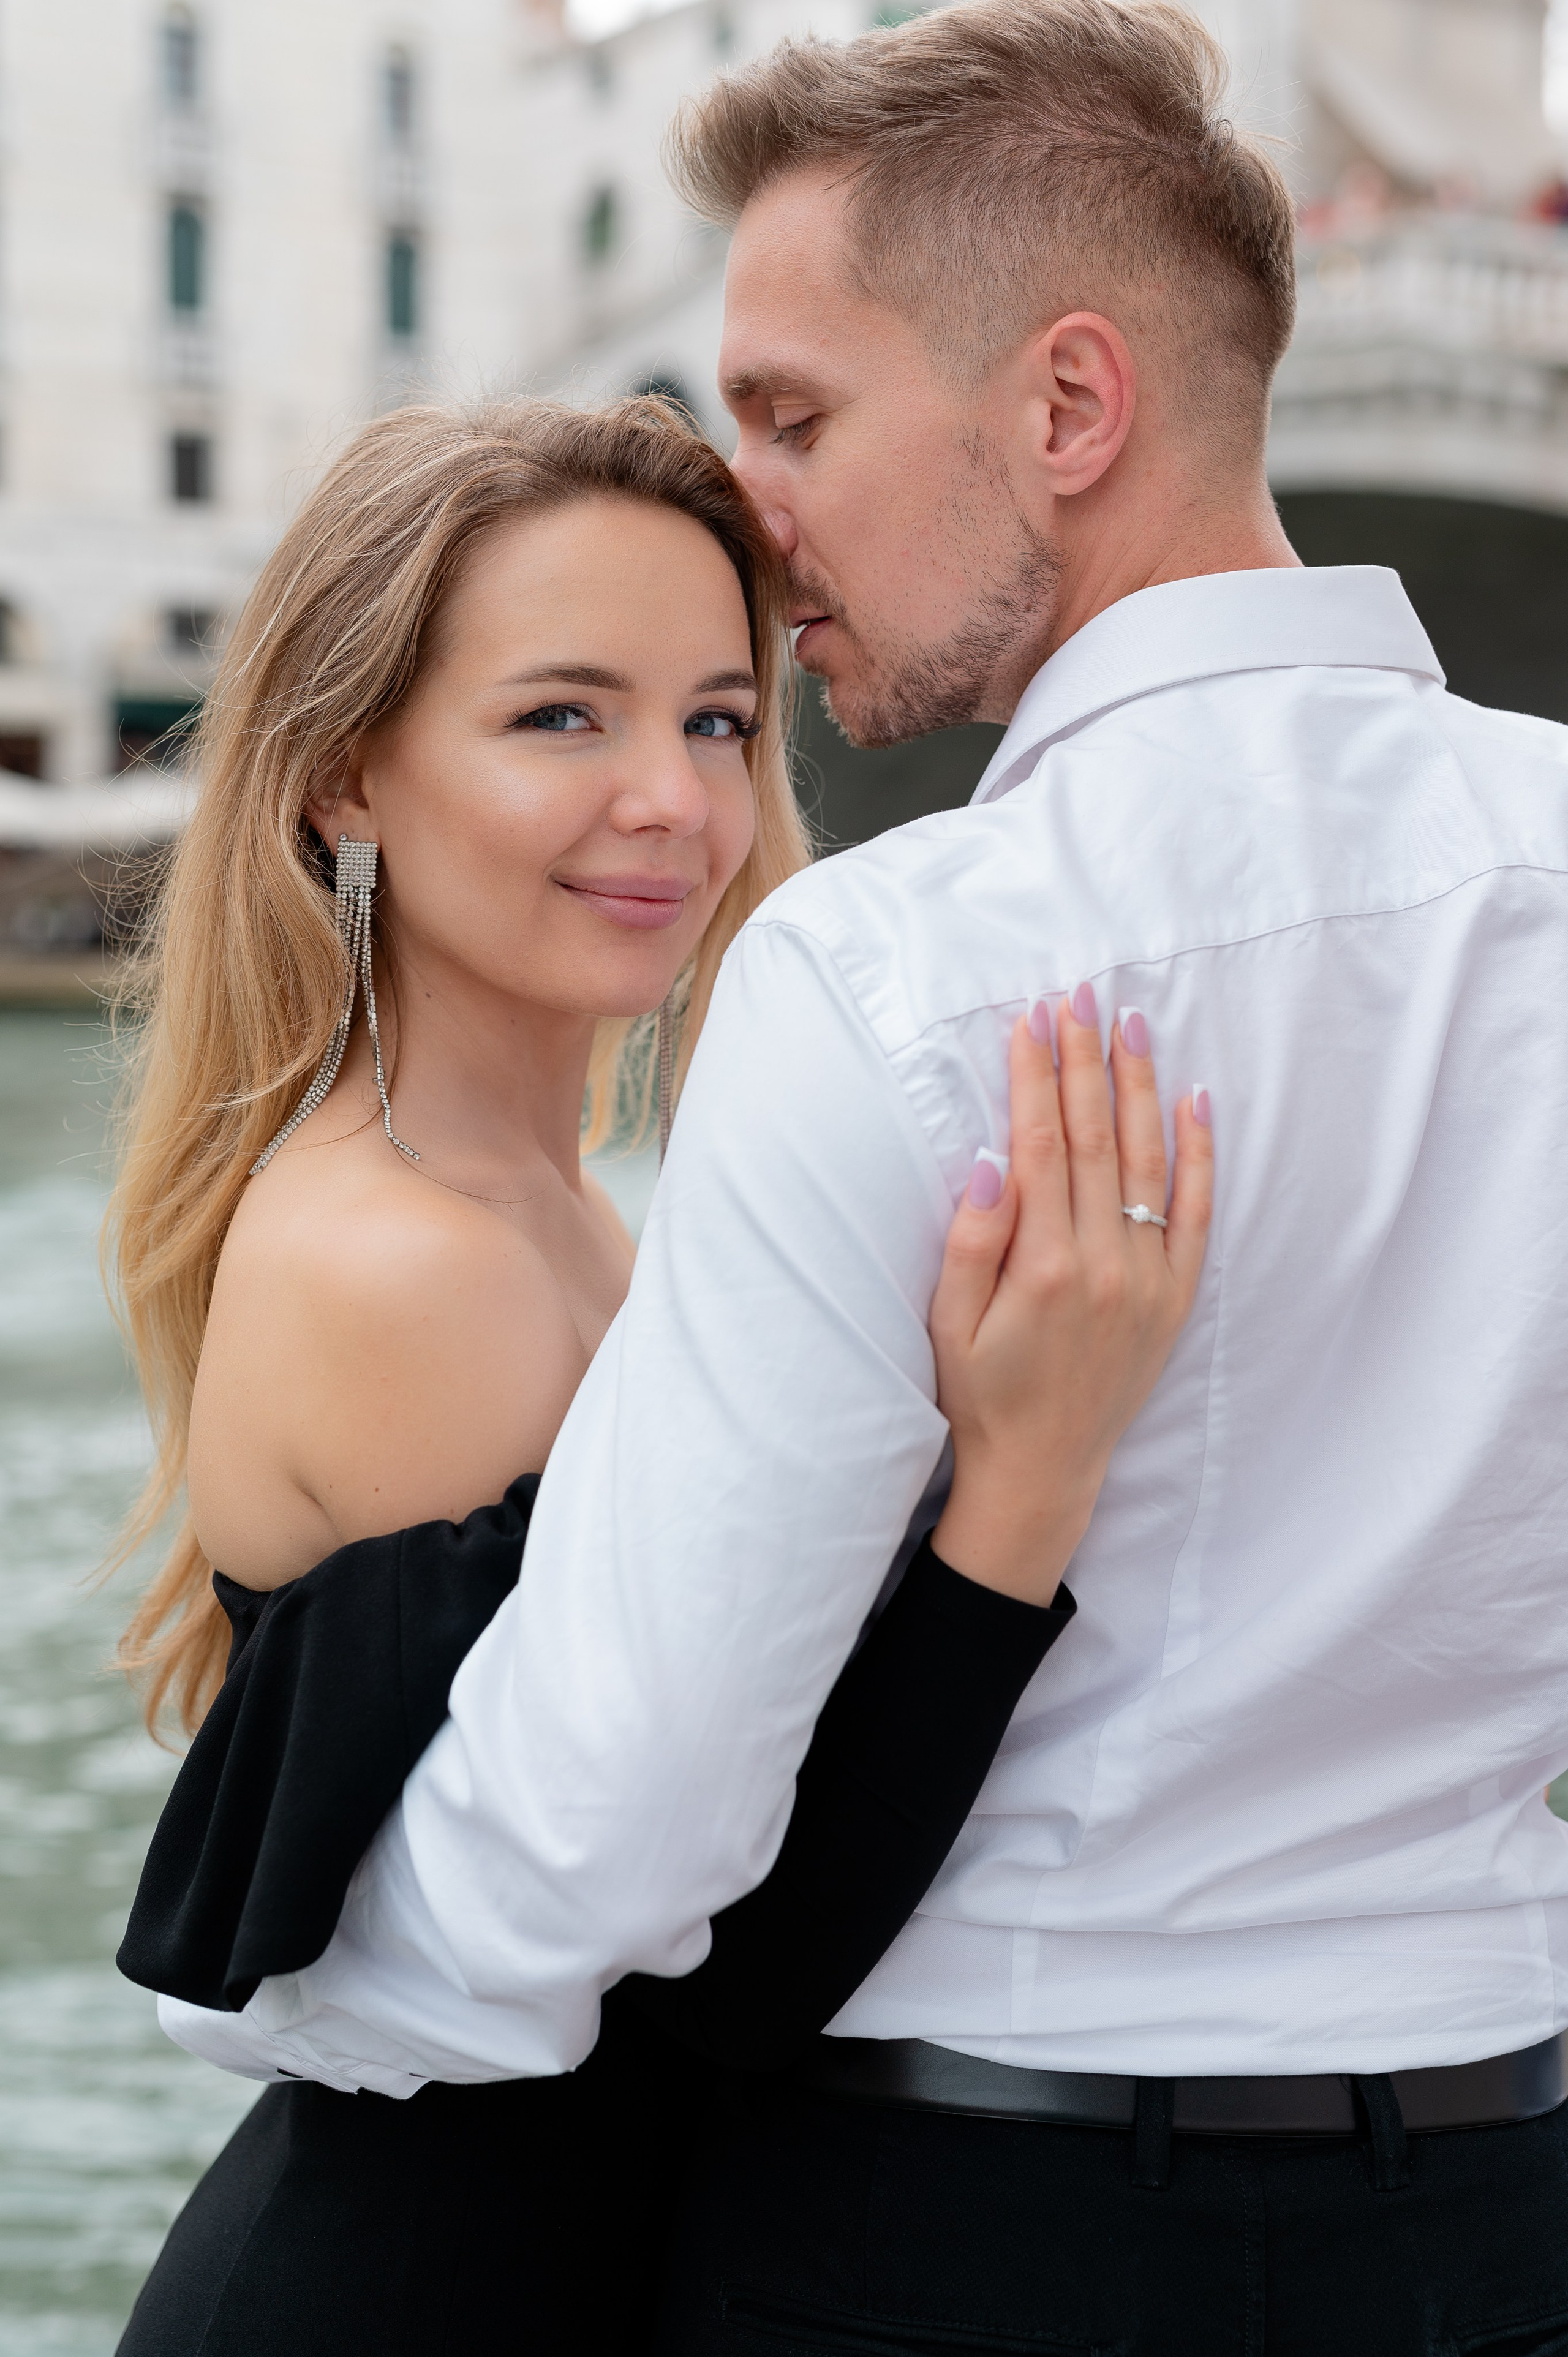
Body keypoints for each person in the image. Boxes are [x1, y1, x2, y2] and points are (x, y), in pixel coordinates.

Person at [147, 0, 1568, 2343]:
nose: (757, 508)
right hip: (1504, 2211)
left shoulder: (900, 968)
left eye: (798, 417)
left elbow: (611, 1833)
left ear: (1071, 408)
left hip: (968, 2229)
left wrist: (257, 1999)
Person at [105, 393, 1210, 2353]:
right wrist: (1024, 1489)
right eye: (562, 716)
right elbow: (711, 1980)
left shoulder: (558, 1213)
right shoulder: (408, 1266)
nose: (676, 802)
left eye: (714, 717)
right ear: (346, 779)